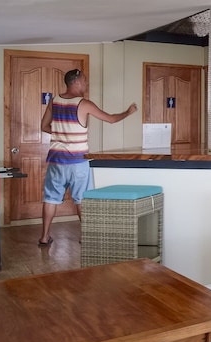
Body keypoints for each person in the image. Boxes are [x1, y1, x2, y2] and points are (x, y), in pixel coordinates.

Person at [38, 68, 137, 245]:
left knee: (51, 198)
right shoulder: (84, 103)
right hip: (77, 161)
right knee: (82, 199)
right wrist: (128, 112)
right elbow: (111, 119)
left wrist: (62, 133)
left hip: (56, 160)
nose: (86, 83)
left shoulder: (55, 101)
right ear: (75, 82)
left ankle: (44, 237)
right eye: (84, 80)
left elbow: (44, 126)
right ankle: (86, 236)